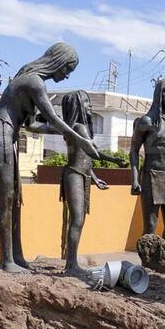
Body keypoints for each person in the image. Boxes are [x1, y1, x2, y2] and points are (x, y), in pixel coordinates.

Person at [0, 43, 100, 273]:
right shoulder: (34, 81)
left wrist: (67, 134)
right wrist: (81, 140)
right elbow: (53, 118)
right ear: (57, 61)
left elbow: (33, 125)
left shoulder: (32, 79)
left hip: (8, 135)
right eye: (67, 69)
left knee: (15, 200)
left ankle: (16, 256)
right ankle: (6, 260)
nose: (66, 76)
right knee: (6, 200)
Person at [58, 91, 111, 276]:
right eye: (86, 102)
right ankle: (71, 264)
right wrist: (115, 161)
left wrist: (95, 179)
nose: (90, 105)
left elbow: (86, 160)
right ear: (77, 105)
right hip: (74, 174)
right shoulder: (79, 127)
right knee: (77, 219)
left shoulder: (82, 128)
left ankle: (71, 262)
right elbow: (92, 152)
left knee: (78, 220)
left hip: (83, 175)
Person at [129, 78, 165, 248]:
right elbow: (133, 150)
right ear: (158, 94)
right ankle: (147, 268)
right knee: (150, 227)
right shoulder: (147, 121)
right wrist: (135, 179)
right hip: (151, 176)